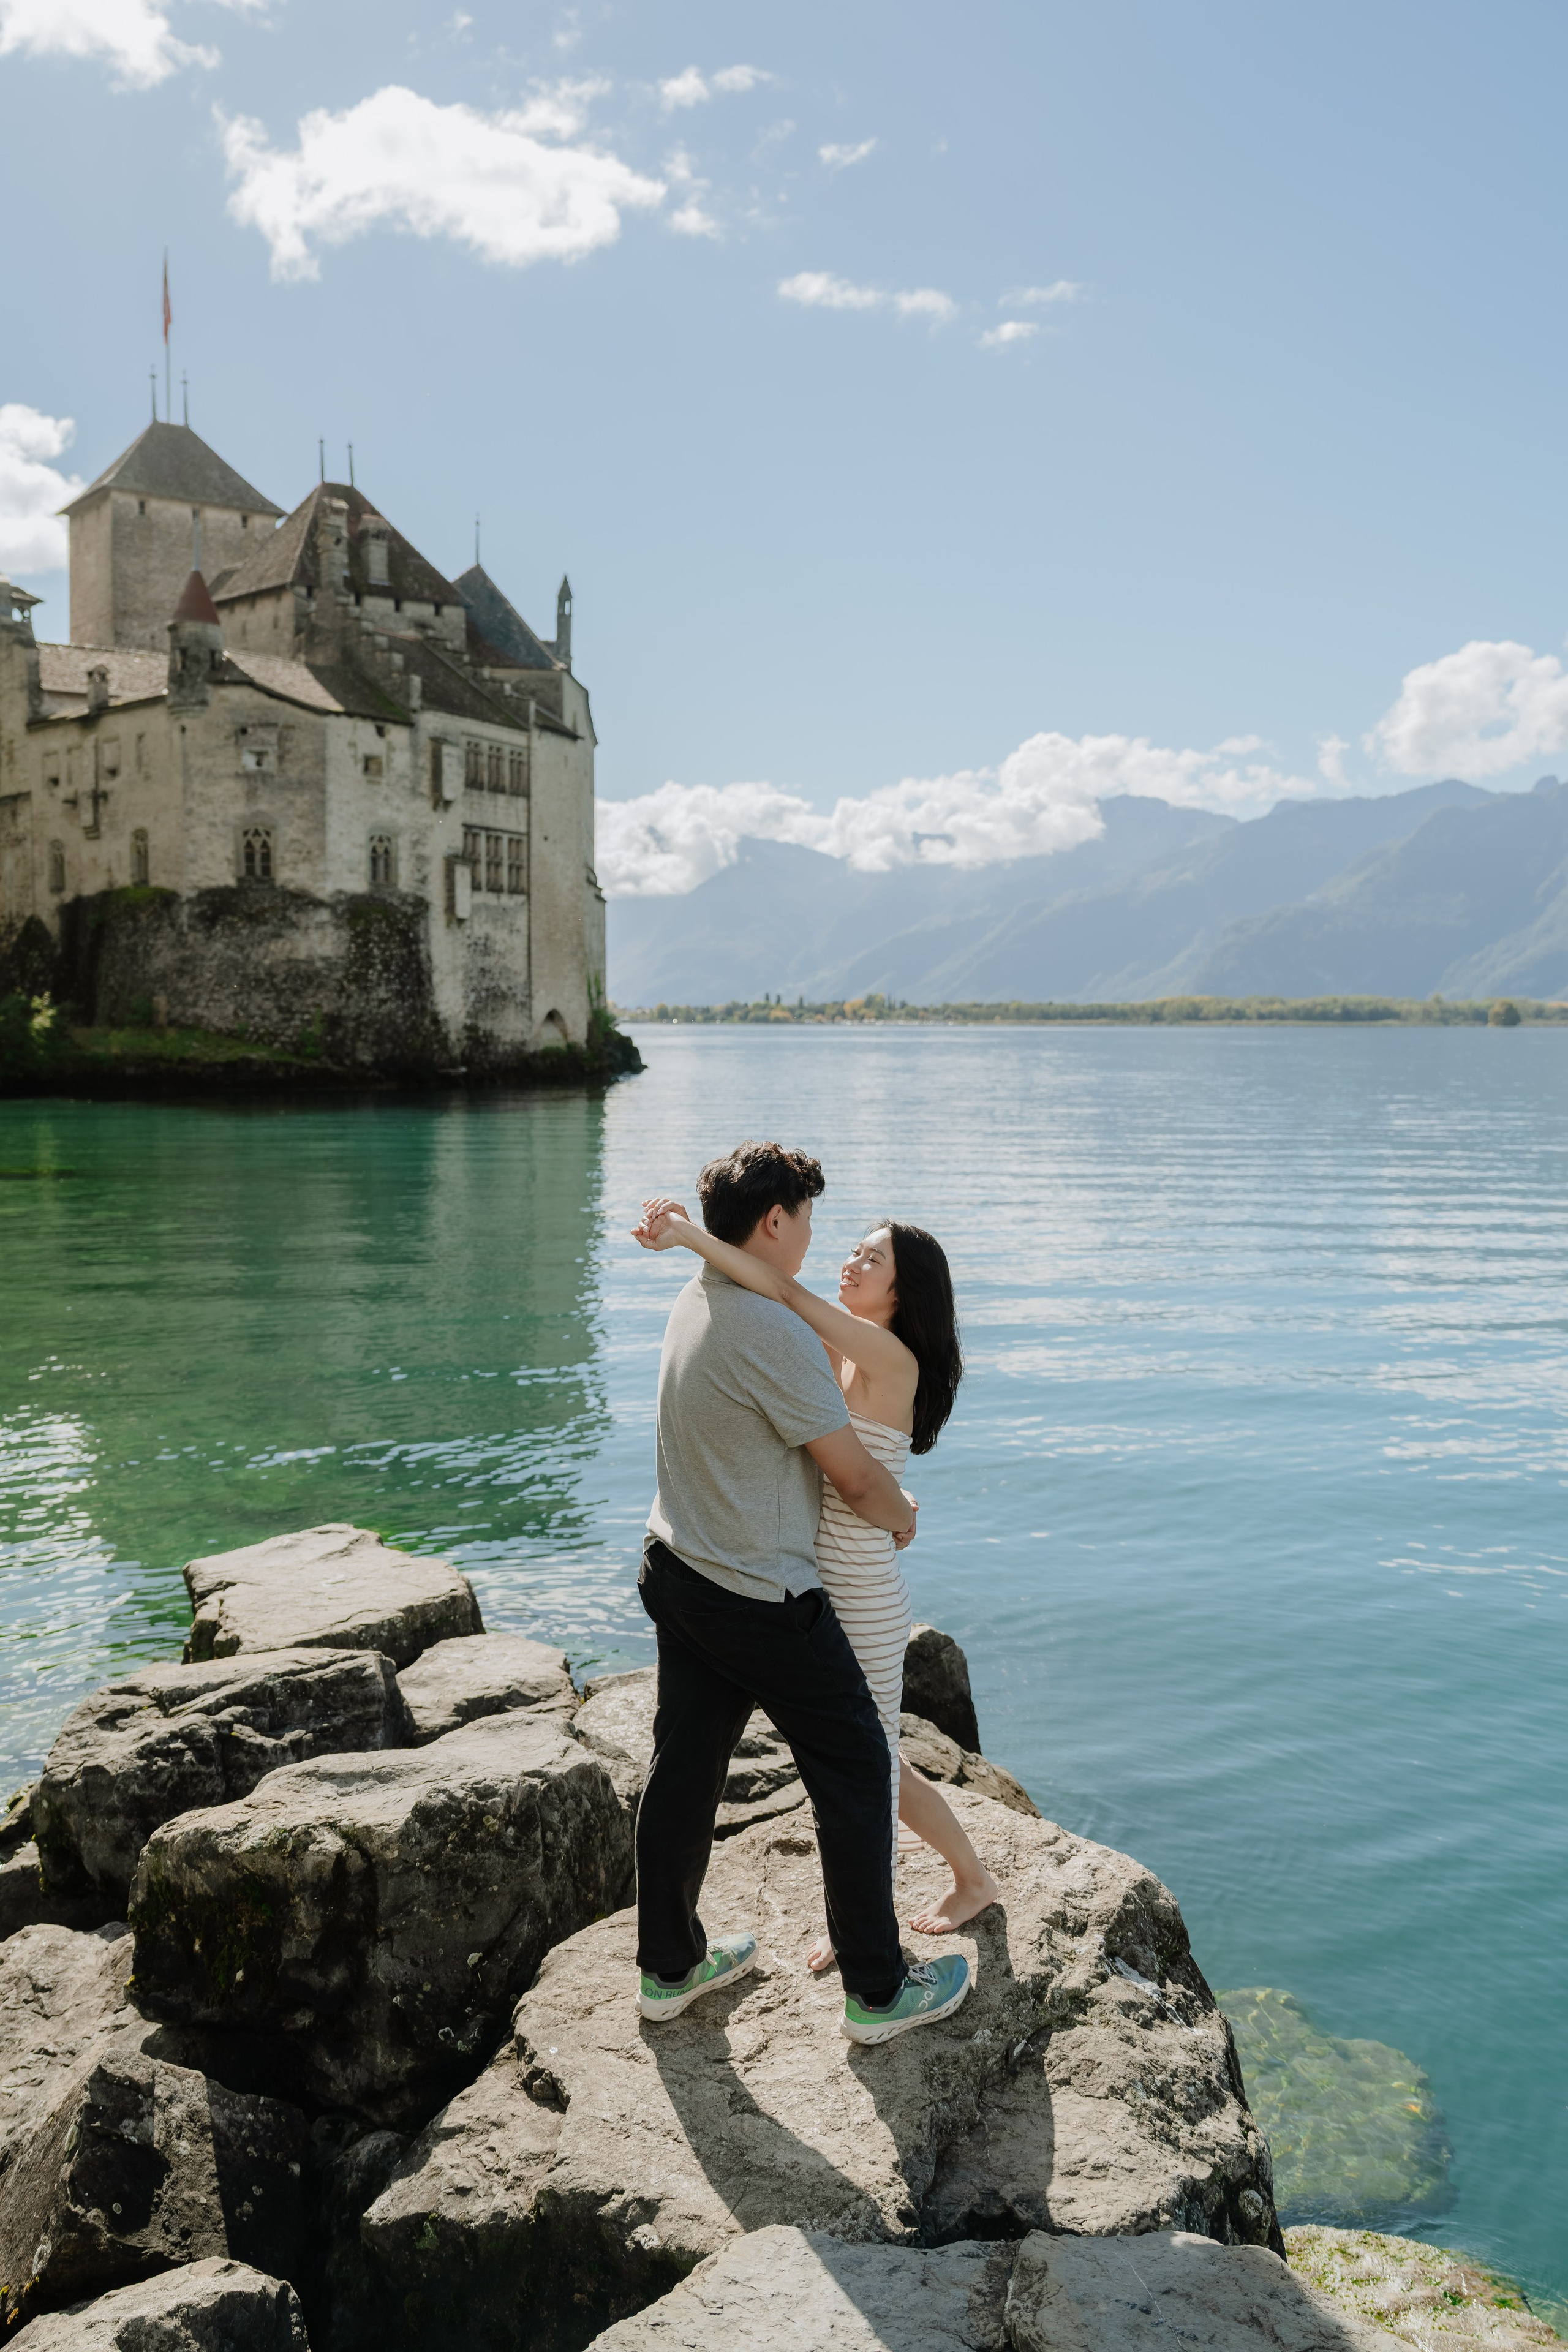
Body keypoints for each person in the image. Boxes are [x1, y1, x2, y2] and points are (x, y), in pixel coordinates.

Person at [629, 1139, 971, 2048]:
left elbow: (778, 1295)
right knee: (861, 1767)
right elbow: (856, 1480)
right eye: (813, 1222)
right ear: (776, 1222)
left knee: (685, 1767)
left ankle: (669, 1969)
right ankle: (879, 1989)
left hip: (677, 1567)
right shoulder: (772, 1328)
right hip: (758, 1596)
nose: (824, 1242)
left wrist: (687, 1241)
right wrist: (900, 1509)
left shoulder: (698, 1299)